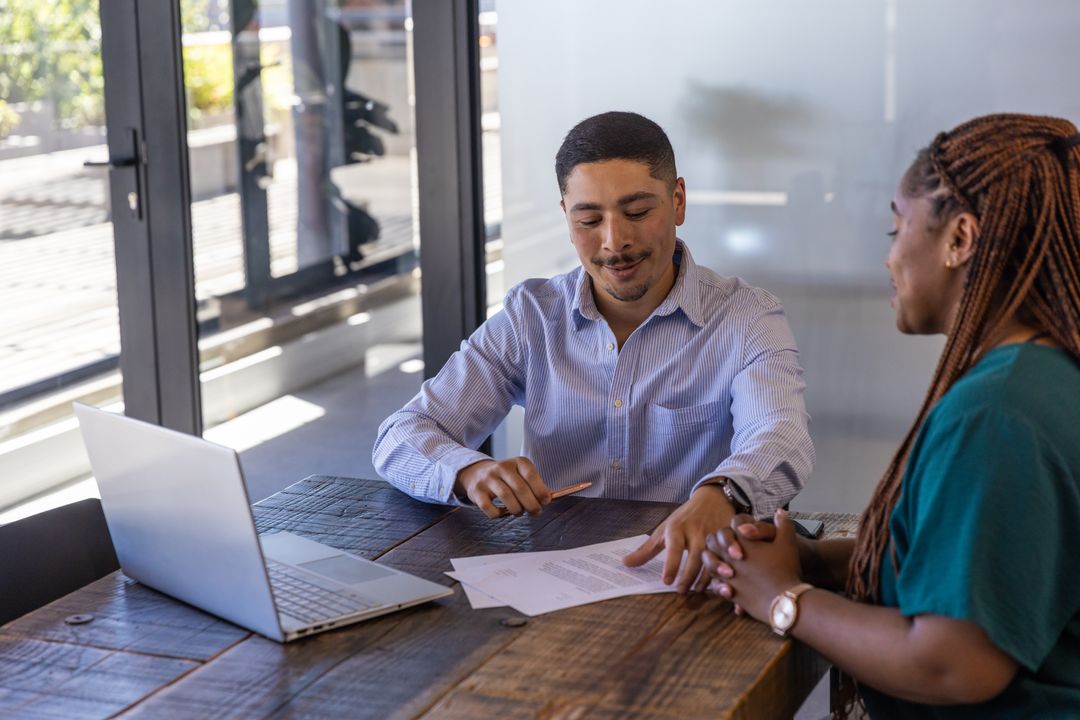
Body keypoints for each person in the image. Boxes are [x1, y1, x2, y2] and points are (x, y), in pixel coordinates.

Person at [702, 113, 1080, 717]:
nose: (889, 258)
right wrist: (814, 559)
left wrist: (784, 597)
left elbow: (953, 662)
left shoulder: (997, 415)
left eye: (895, 228)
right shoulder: (1047, 372)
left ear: (959, 239)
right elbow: (968, 564)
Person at [373, 111, 814, 591]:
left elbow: (782, 435)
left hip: (690, 580)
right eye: (589, 219)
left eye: (638, 213)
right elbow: (400, 435)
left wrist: (723, 492)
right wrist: (469, 472)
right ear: (566, 216)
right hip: (554, 578)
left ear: (678, 201)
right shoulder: (532, 317)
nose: (614, 242)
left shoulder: (746, 318)